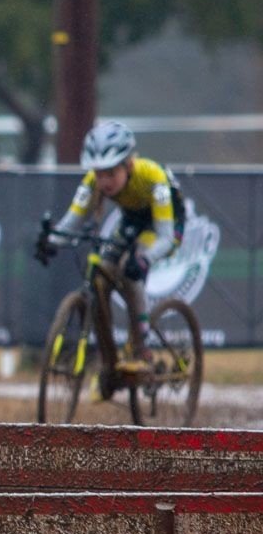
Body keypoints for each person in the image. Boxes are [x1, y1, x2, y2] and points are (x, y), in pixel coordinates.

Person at [37, 120, 185, 372]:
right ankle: (110, 363)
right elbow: (73, 220)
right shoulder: (92, 181)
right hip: (131, 220)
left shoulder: (153, 178)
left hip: (165, 223)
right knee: (102, 273)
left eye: (111, 173)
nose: (104, 181)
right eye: (98, 173)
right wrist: (50, 240)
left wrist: (145, 260)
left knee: (130, 269)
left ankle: (142, 350)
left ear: (129, 165)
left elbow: (164, 237)